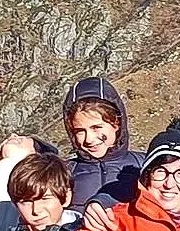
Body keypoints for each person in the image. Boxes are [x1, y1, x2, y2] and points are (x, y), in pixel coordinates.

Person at [62, 76, 146, 212]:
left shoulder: (144, 165)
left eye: (96, 127)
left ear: (117, 123)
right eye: (79, 131)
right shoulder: (64, 173)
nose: (89, 139)